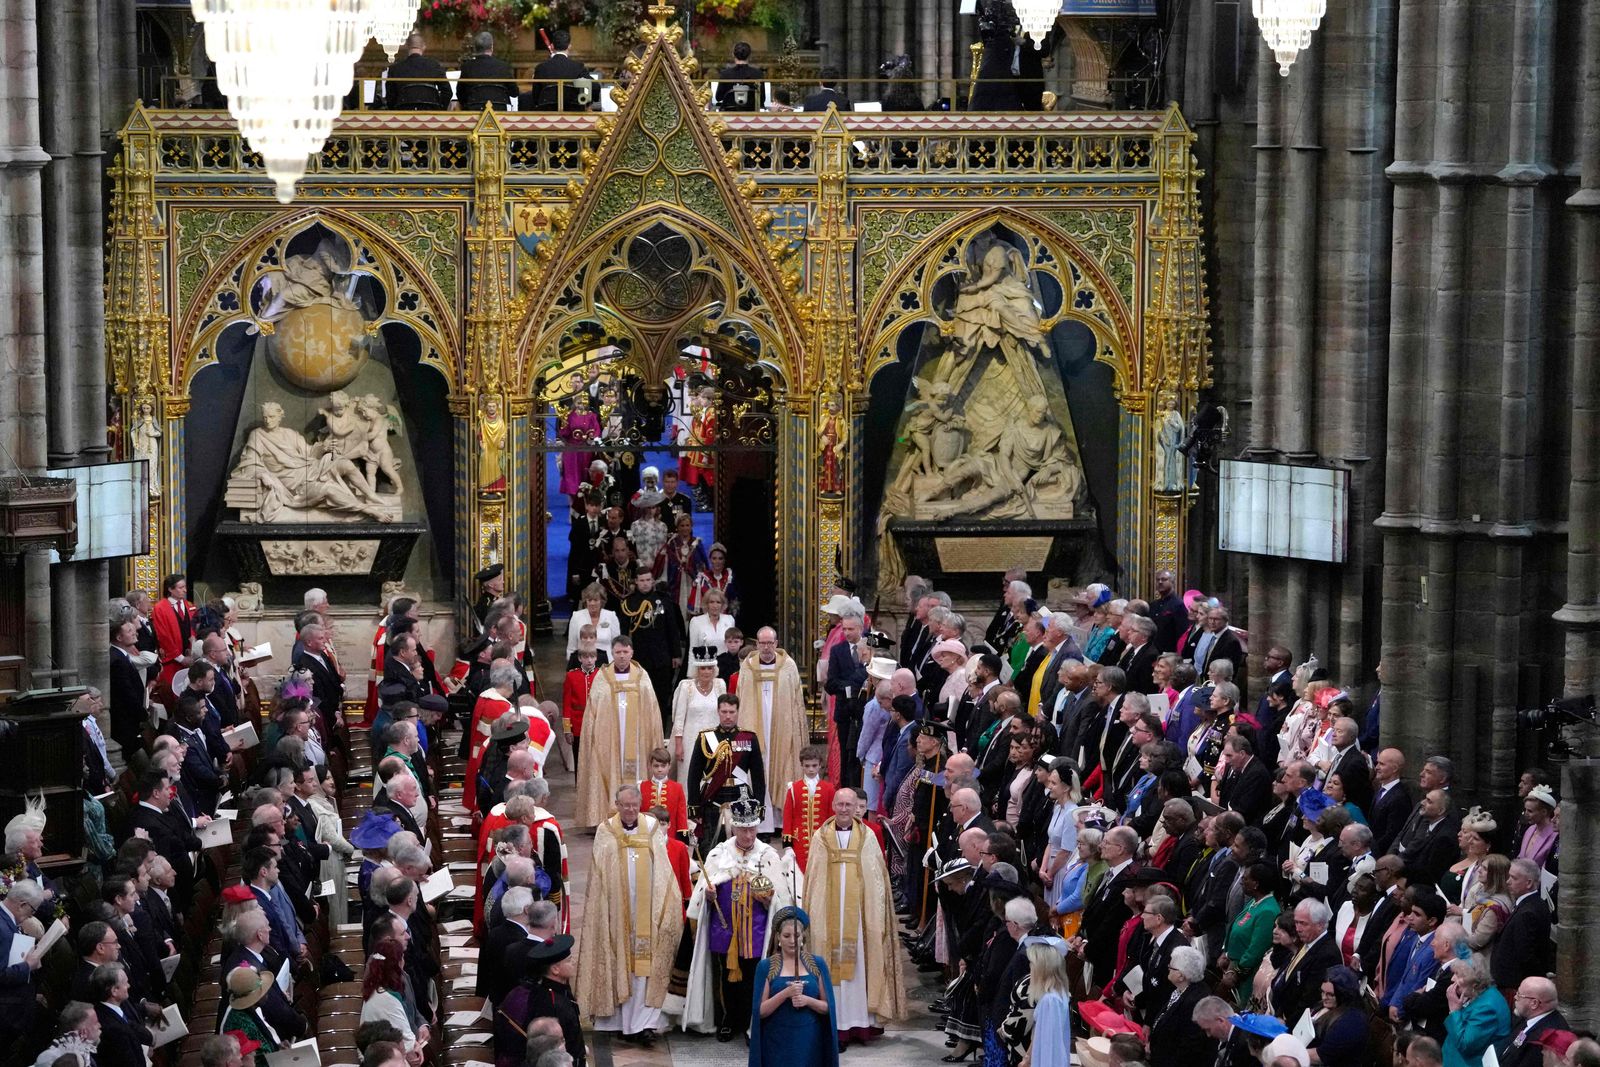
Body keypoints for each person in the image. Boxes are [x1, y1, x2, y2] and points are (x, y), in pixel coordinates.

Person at [574, 786, 683, 1046]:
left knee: (645, 966)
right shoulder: (606, 831)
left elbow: (664, 870)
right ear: (617, 804)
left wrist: (665, 906)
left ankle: (644, 1024)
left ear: (640, 804)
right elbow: (599, 876)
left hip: (647, 911)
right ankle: (618, 1021)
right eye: (625, 805)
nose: (630, 810)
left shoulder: (652, 827)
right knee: (619, 961)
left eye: (635, 805)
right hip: (616, 911)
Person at [684, 794, 795, 1039]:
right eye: (744, 830)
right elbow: (702, 895)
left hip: (755, 931)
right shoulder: (718, 854)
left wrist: (768, 899)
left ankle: (749, 1023)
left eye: (753, 829)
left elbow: (781, 900)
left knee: (753, 976)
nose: (748, 836)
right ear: (734, 827)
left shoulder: (767, 856)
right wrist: (709, 896)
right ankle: (728, 1019)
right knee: (726, 977)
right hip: (724, 928)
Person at [802, 787, 905, 1047]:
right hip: (828, 917)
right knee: (831, 967)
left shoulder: (867, 836)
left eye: (849, 804)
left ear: (856, 806)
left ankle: (859, 1024)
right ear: (834, 806)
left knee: (858, 967)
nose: (845, 809)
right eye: (840, 804)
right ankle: (834, 1024)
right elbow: (813, 880)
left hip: (858, 918)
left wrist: (873, 913)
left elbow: (876, 878)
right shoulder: (821, 837)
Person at [575, 637, 665, 828]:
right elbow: (592, 713)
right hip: (609, 740)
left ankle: (638, 814)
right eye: (618, 652)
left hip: (637, 741)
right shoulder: (603, 677)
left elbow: (653, 712)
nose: (622, 656)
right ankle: (607, 816)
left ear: (632, 652)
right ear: (612, 653)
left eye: (625, 652)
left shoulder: (642, 677)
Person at [749, 907, 839, 1067]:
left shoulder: (817, 964)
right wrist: (786, 993)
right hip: (777, 1041)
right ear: (778, 937)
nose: (792, 941)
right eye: (786, 936)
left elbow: (827, 1008)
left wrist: (807, 1000)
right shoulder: (765, 966)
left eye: (796, 935)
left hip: (810, 1041)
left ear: (803, 937)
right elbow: (760, 1011)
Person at [740, 627, 809, 829]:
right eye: (763, 643)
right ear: (757, 644)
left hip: (782, 728)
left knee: (781, 768)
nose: (767, 647)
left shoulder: (788, 666)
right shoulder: (748, 666)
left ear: (777, 643)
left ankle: (779, 823)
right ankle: (758, 824)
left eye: (770, 643)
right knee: (757, 769)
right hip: (755, 727)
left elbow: (796, 701)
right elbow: (742, 700)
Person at [686, 694, 765, 856]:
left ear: (737, 712)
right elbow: (694, 774)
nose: (728, 716)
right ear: (718, 711)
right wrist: (694, 807)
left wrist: (760, 805)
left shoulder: (749, 738)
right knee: (710, 846)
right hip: (713, 797)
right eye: (724, 712)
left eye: (731, 712)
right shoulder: (705, 738)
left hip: (741, 796)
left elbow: (758, 776)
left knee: (743, 845)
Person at [497, 935, 583, 1067]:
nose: (574, 963)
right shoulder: (552, 1003)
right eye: (569, 960)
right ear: (555, 969)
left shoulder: (554, 991)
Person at [1146, 944, 1215, 1065]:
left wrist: (1155, 1052)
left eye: (1171, 967)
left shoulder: (1194, 1003)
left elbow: (1187, 1048)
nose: (1168, 967)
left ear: (1181, 976)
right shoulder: (1181, 989)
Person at [1441, 959, 1510, 1067]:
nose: (1452, 979)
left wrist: (1454, 1011)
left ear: (1473, 982)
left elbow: (1465, 1045)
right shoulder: (1479, 994)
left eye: (1458, 975)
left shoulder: (1486, 1008)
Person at [671, 648, 728, 780]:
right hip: (690, 739)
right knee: (689, 776)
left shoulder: (720, 685)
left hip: (715, 738)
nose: (707, 672)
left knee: (714, 775)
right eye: (703, 668)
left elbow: (725, 714)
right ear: (697, 670)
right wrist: (678, 746)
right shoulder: (686, 687)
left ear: (714, 669)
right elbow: (679, 719)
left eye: (709, 668)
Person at [782, 747, 836, 875]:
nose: (811, 769)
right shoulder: (794, 789)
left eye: (814, 765)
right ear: (802, 766)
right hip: (799, 841)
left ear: (820, 765)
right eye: (807, 766)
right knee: (800, 874)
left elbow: (832, 816)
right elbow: (788, 816)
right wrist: (788, 845)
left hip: (822, 839)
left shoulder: (829, 788)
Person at [523, 29, 588, 111]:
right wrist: (588, 104)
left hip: (547, 113)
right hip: (573, 113)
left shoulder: (541, 68)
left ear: (552, 46)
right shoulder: (578, 67)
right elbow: (595, 86)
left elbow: (536, 97)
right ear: (569, 46)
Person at [385, 32, 451, 109]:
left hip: (403, 113)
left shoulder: (395, 69)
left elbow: (390, 97)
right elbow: (447, 92)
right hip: (430, 113)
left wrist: (395, 111)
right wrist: (440, 109)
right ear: (424, 47)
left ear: (407, 46)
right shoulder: (434, 66)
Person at [458, 31, 517, 112]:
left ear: (475, 48)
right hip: (498, 113)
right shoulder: (503, 66)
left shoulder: (467, 67)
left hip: (474, 112)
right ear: (491, 47)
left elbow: (460, 94)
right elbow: (514, 92)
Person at [716, 41, 765, 112]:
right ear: (749, 55)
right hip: (752, 115)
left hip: (729, 116)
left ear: (733, 55)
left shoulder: (725, 74)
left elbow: (718, 97)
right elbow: (762, 99)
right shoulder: (758, 74)